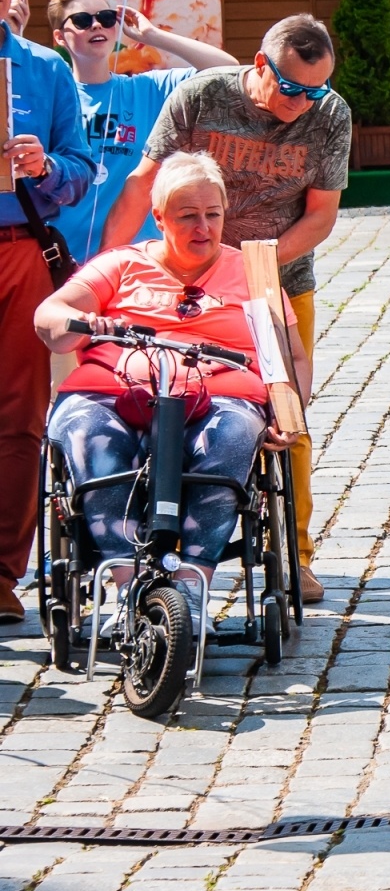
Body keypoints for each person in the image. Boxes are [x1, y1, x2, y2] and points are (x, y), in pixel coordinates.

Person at [98, 14, 352, 606]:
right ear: (259, 67)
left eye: (316, 90)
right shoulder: (201, 97)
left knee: (287, 414)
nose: (304, 103)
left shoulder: (329, 114)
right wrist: (108, 265)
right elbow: (144, 182)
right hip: (180, 281)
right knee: (155, 396)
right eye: (292, 89)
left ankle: (298, 554)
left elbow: (320, 215)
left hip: (275, 282)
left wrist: (250, 263)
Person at [34, 152, 309, 632]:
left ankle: (190, 589)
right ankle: (125, 588)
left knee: (234, 437)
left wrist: (289, 413)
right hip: (115, 392)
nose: (203, 227)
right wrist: (83, 323)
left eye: (213, 215)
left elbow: (293, 358)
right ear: (158, 217)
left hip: (221, 394)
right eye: (188, 216)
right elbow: (50, 318)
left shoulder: (253, 274)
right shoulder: (121, 265)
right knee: (87, 435)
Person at [0, 0, 94, 624]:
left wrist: (46, 168)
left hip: (18, 248)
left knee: (19, 417)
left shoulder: (45, 69)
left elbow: (81, 172)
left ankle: (2, 573)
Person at [48, 0, 237, 263]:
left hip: (133, 260)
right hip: (60, 256)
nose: (97, 25)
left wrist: (152, 35)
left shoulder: (147, 89)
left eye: (106, 17)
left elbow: (227, 69)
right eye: (83, 20)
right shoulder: (52, 96)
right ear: (60, 37)